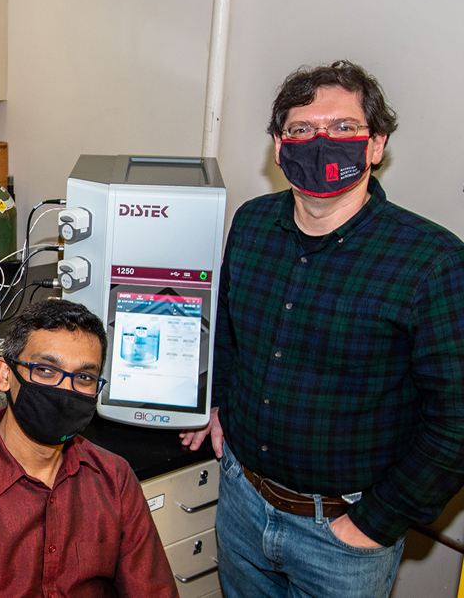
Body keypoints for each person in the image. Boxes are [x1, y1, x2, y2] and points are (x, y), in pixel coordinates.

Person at [180, 60, 464, 598]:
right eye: (301, 129)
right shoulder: (252, 224)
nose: (320, 141)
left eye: (342, 128)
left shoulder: (432, 262)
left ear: (375, 145)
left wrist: (375, 523)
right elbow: (230, 332)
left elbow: (456, 421)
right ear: (280, 146)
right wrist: (215, 402)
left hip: (343, 536)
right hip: (241, 503)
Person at [0, 299, 178, 598]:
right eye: (45, 371)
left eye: (84, 378)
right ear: (4, 374)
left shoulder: (114, 480)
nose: (65, 391)